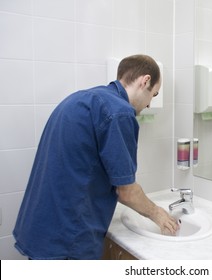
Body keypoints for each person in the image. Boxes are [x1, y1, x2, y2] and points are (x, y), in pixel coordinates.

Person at [13, 54, 179, 260]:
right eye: (153, 95)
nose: (149, 106)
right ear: (145, 81)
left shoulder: (82, 99)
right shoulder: (119, 112)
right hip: (68, 239)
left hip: (40, 226)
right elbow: (126, 192)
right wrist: (157, 213)